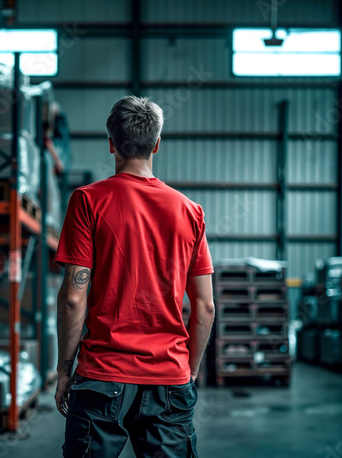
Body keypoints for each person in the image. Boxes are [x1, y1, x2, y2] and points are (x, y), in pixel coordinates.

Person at [53, 96, 215, 458]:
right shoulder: (190, 211)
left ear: (111, 144)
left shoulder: (87, 200)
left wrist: (65, 370)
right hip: (169, 376)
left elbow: (73, 297)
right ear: (157, 143)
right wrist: (189, 371)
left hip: (101, 374)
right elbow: (204, 307)